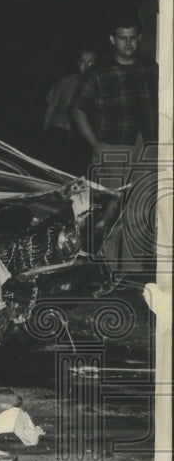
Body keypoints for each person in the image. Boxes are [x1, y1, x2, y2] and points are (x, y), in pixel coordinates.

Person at [70, 17, 159, 271]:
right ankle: (107, 268)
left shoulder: (151, 69)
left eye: (132, 37)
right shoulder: (100, 73)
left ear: (139, 38)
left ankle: (132, 271)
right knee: (111, 210)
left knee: (142, 208)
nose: (128, 42)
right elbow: (76, 110)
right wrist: (96, 144)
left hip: (148, 147)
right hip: (114, 148)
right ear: (113, 40)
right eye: (123, 37)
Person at [42, 48, 97, 173]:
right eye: (83, 62)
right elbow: (50, 110)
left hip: (85, 139)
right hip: (60, 134)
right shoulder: (65, 83)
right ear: (78, 63)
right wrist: (44, 135)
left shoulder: (101, 86)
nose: (86, 66)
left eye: (90, 63)